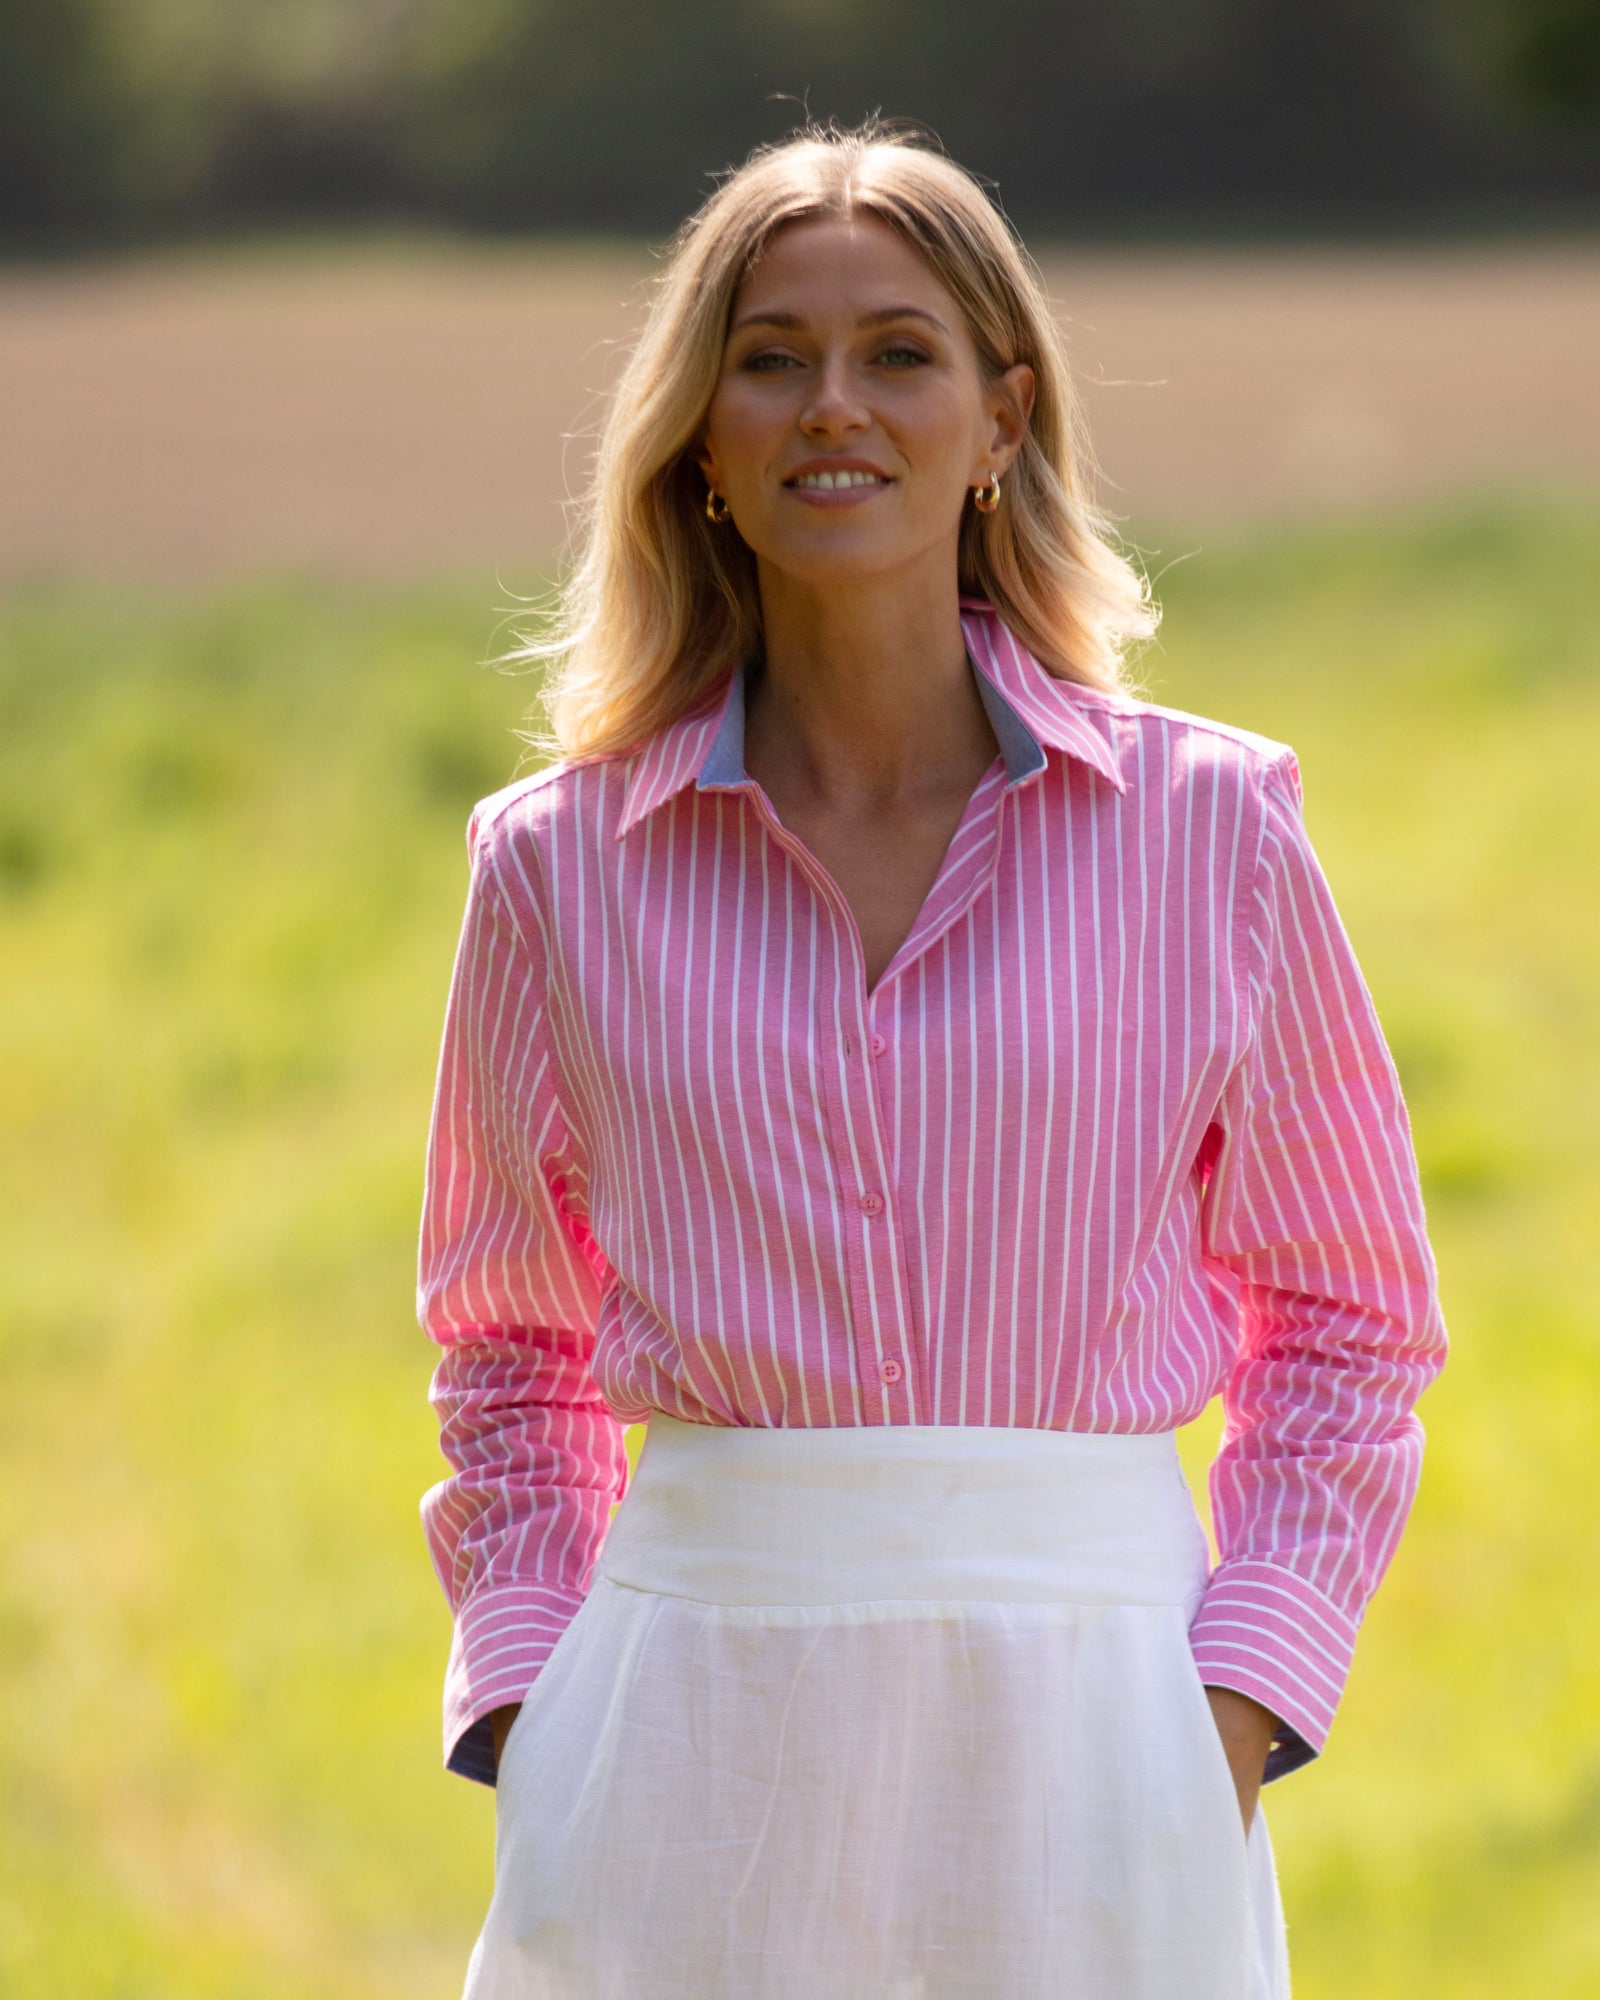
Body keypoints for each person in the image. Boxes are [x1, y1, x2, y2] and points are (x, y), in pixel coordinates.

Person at [415, 117, 1447, 2000]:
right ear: (704, 444)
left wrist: (1233, 1705)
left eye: (899, 350)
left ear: (1003, 420)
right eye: (771, 356)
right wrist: (533, 1712)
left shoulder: (1214, 832)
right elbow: (504, 1349)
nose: (836, 405)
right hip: (681, 1731)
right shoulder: (552, 868)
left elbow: (1351, 1315)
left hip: (1107, 1727)